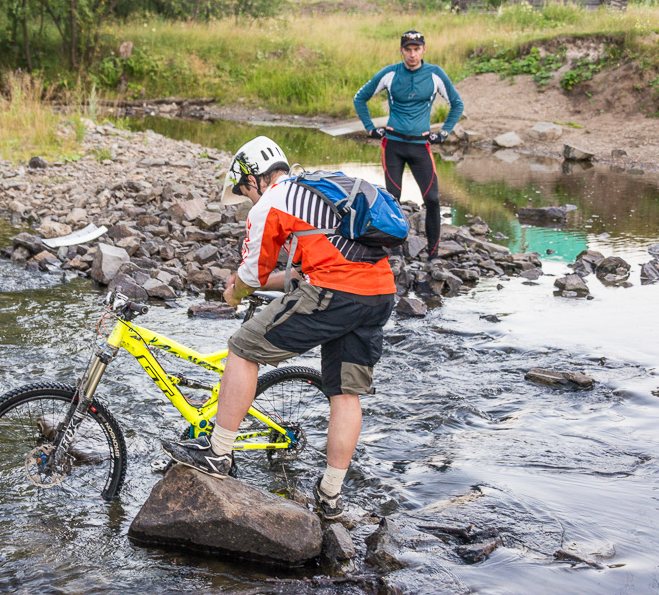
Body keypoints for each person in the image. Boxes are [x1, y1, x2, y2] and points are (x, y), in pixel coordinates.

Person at [161, 136, 396, 520]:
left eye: (243, 190)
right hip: (378, 294)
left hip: (335, 292)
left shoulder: (271, 201)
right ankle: (331, 497)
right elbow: (297, 274)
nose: (247, 199)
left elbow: (253, 274)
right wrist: (251, 283)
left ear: (254, 179)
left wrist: (234, 294)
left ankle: (218, 453)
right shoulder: (316, 191)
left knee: (242, 348)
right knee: (345, 392)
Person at [353, 29, 464, 261]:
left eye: (416, 49)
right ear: (401, 51)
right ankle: (393, 251)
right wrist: (369, 128)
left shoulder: (435, 74)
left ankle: (433, 254)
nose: (412, 54)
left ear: (424, 50)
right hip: (392, 145)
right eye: (408, 49)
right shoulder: (390, 73)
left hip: (420, 147)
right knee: (393, 198)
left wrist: (443, 133)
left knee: (432, 199)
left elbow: (457, 104)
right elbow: (360, 98)